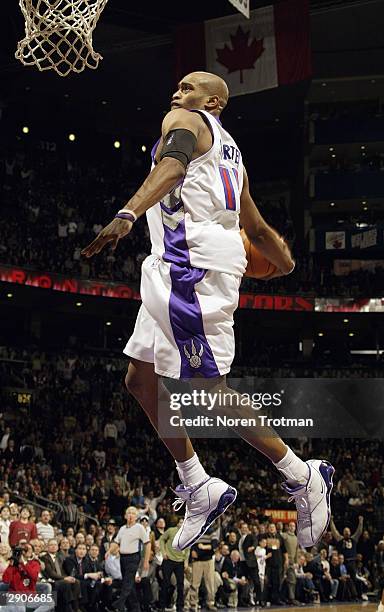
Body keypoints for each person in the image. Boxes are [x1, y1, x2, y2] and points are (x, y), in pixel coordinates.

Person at [82, 70, 334, 552]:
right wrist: (285, 264)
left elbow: (172, 166)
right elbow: (256, 229)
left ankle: (303, 476)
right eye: (176, 86)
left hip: (189, 265)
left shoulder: (185, 121)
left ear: (213, 102)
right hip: (175, 263)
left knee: (204, 391)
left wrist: (127, 213)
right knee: (140, 378)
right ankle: (198, 484)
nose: (178, 92)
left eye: (190, 86)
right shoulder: (231, 158)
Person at [113, 506, 151, 612]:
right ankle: (135, 609)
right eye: (129, 513)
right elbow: (116, 542)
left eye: (133, 513)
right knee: (129, 585)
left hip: (133, 557)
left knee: (127, 583)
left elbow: (147, 544)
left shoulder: (139, 527)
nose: (131, 515)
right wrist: (108, 551)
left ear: (136, 516)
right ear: (125, 516)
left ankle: (119, 604)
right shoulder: (122, 529)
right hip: (123, 558)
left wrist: (146, 561)